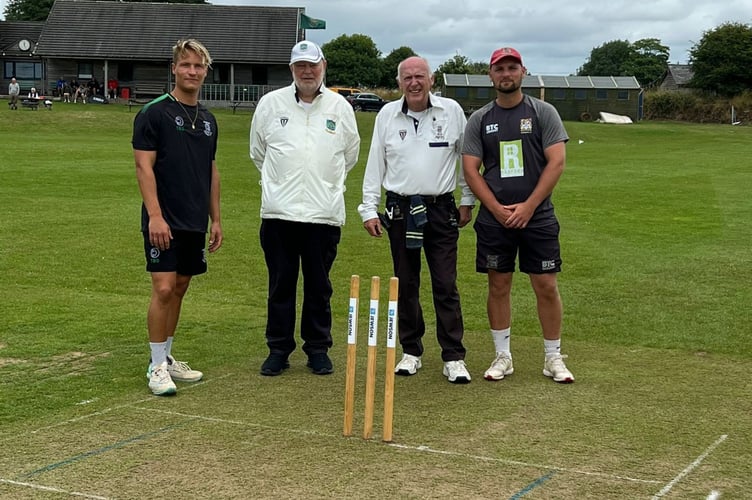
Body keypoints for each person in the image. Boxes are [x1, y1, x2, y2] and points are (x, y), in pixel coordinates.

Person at [358, 56, 474, 384]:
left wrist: (467, 199)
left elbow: (466, 158)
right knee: (405, 282)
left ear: (431, 79)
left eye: (419, 76)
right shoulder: (387, 115)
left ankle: (453, 356)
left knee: (445, 283)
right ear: (399, 83)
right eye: (407, 77)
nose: (414, 82)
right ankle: (412, 351)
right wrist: (369, 208)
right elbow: (375, 164)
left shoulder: (451, 111)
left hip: (440, 209)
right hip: (399, 209)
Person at [461, 47, 574, 384]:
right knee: (498, 285)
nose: (506, 74)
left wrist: (528, 207)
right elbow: (470, 169)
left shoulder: (543, 113)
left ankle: (553, 357)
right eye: (500, 69)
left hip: (537, 217)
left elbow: (557, 162)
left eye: (512, 68)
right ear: (490, 75)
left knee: (546, 285)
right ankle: (502, 356)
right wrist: (496, 208)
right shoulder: (480, 119)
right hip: (495, 219)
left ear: (523, 71)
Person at [249, 40, 360, 377]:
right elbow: (259, 153)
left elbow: (349, 156)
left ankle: (317, 349)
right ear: (292, 70)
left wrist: (325, 186)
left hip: (323, 215)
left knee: (319, 286)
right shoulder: (271, 104)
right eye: (300, 66)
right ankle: (278, 349)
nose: (307, 71)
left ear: (323, 66)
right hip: (279, 214)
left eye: (312, 65)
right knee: (280, 284)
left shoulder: (340, 108)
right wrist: (280, 184)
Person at [132, 38, 223, 396]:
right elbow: (143, 167)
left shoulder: (209, 120)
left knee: (181, 287)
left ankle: (168, 358)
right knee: (164, 287)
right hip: (162, 219)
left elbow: (211, 171)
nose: (192, 71)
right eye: (186, 65)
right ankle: (156, 366)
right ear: (174, 68)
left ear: (205, 72)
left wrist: (216, 219)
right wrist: (155, 216)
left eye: (198, 66)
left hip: (193, 221)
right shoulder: (154, 113)